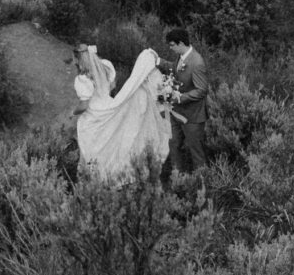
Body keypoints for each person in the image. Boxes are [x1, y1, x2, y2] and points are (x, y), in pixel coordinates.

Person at [72, 44, 171, 181]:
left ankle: (96, 175)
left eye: (75, 60)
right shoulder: (105, 66)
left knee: (93, 142)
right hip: (108, 104)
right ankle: (111, 170)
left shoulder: (82, 79)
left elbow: (84, 105)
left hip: (94, 113)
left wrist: (73, 112)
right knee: (113, 140)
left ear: (79, 60)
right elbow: (112, 86)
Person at [162, 27, 208, 173]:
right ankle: (178, 181)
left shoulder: (197, 62)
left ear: (180, 43)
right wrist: (158, 61)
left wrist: (181, 97)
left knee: (197, 153)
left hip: (193, 117)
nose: (170, 48)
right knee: (174, 145)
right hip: (177, 114)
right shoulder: (181, 57)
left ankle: (202, 187)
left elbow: (201, 90)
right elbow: (175, 69)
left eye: (172, 45)